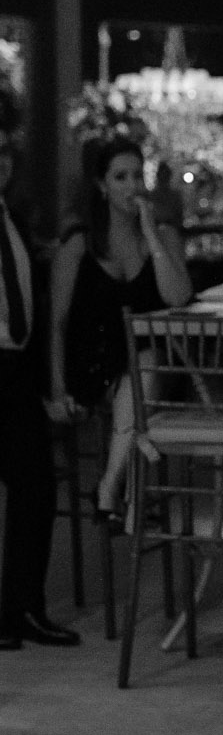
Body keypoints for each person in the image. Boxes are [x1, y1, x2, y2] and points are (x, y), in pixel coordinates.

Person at [48, 137, 193, 522]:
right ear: (102, 185)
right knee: (142, 369)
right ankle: (122, 487)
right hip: (93, 362)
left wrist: (151, 234)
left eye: (137, 176)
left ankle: (110, 488)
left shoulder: (163, 236)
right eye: (120, 177)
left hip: (151, 365)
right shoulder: (80, 244)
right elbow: (58, 322)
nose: (132, 186)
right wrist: (58, 389)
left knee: (145, 364)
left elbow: (178, 296)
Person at [0, 106, 80, 651]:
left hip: (15, 372)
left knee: (35, 486)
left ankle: (22, 609)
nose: (1, 163)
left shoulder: (12, 217)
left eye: (5, 153)